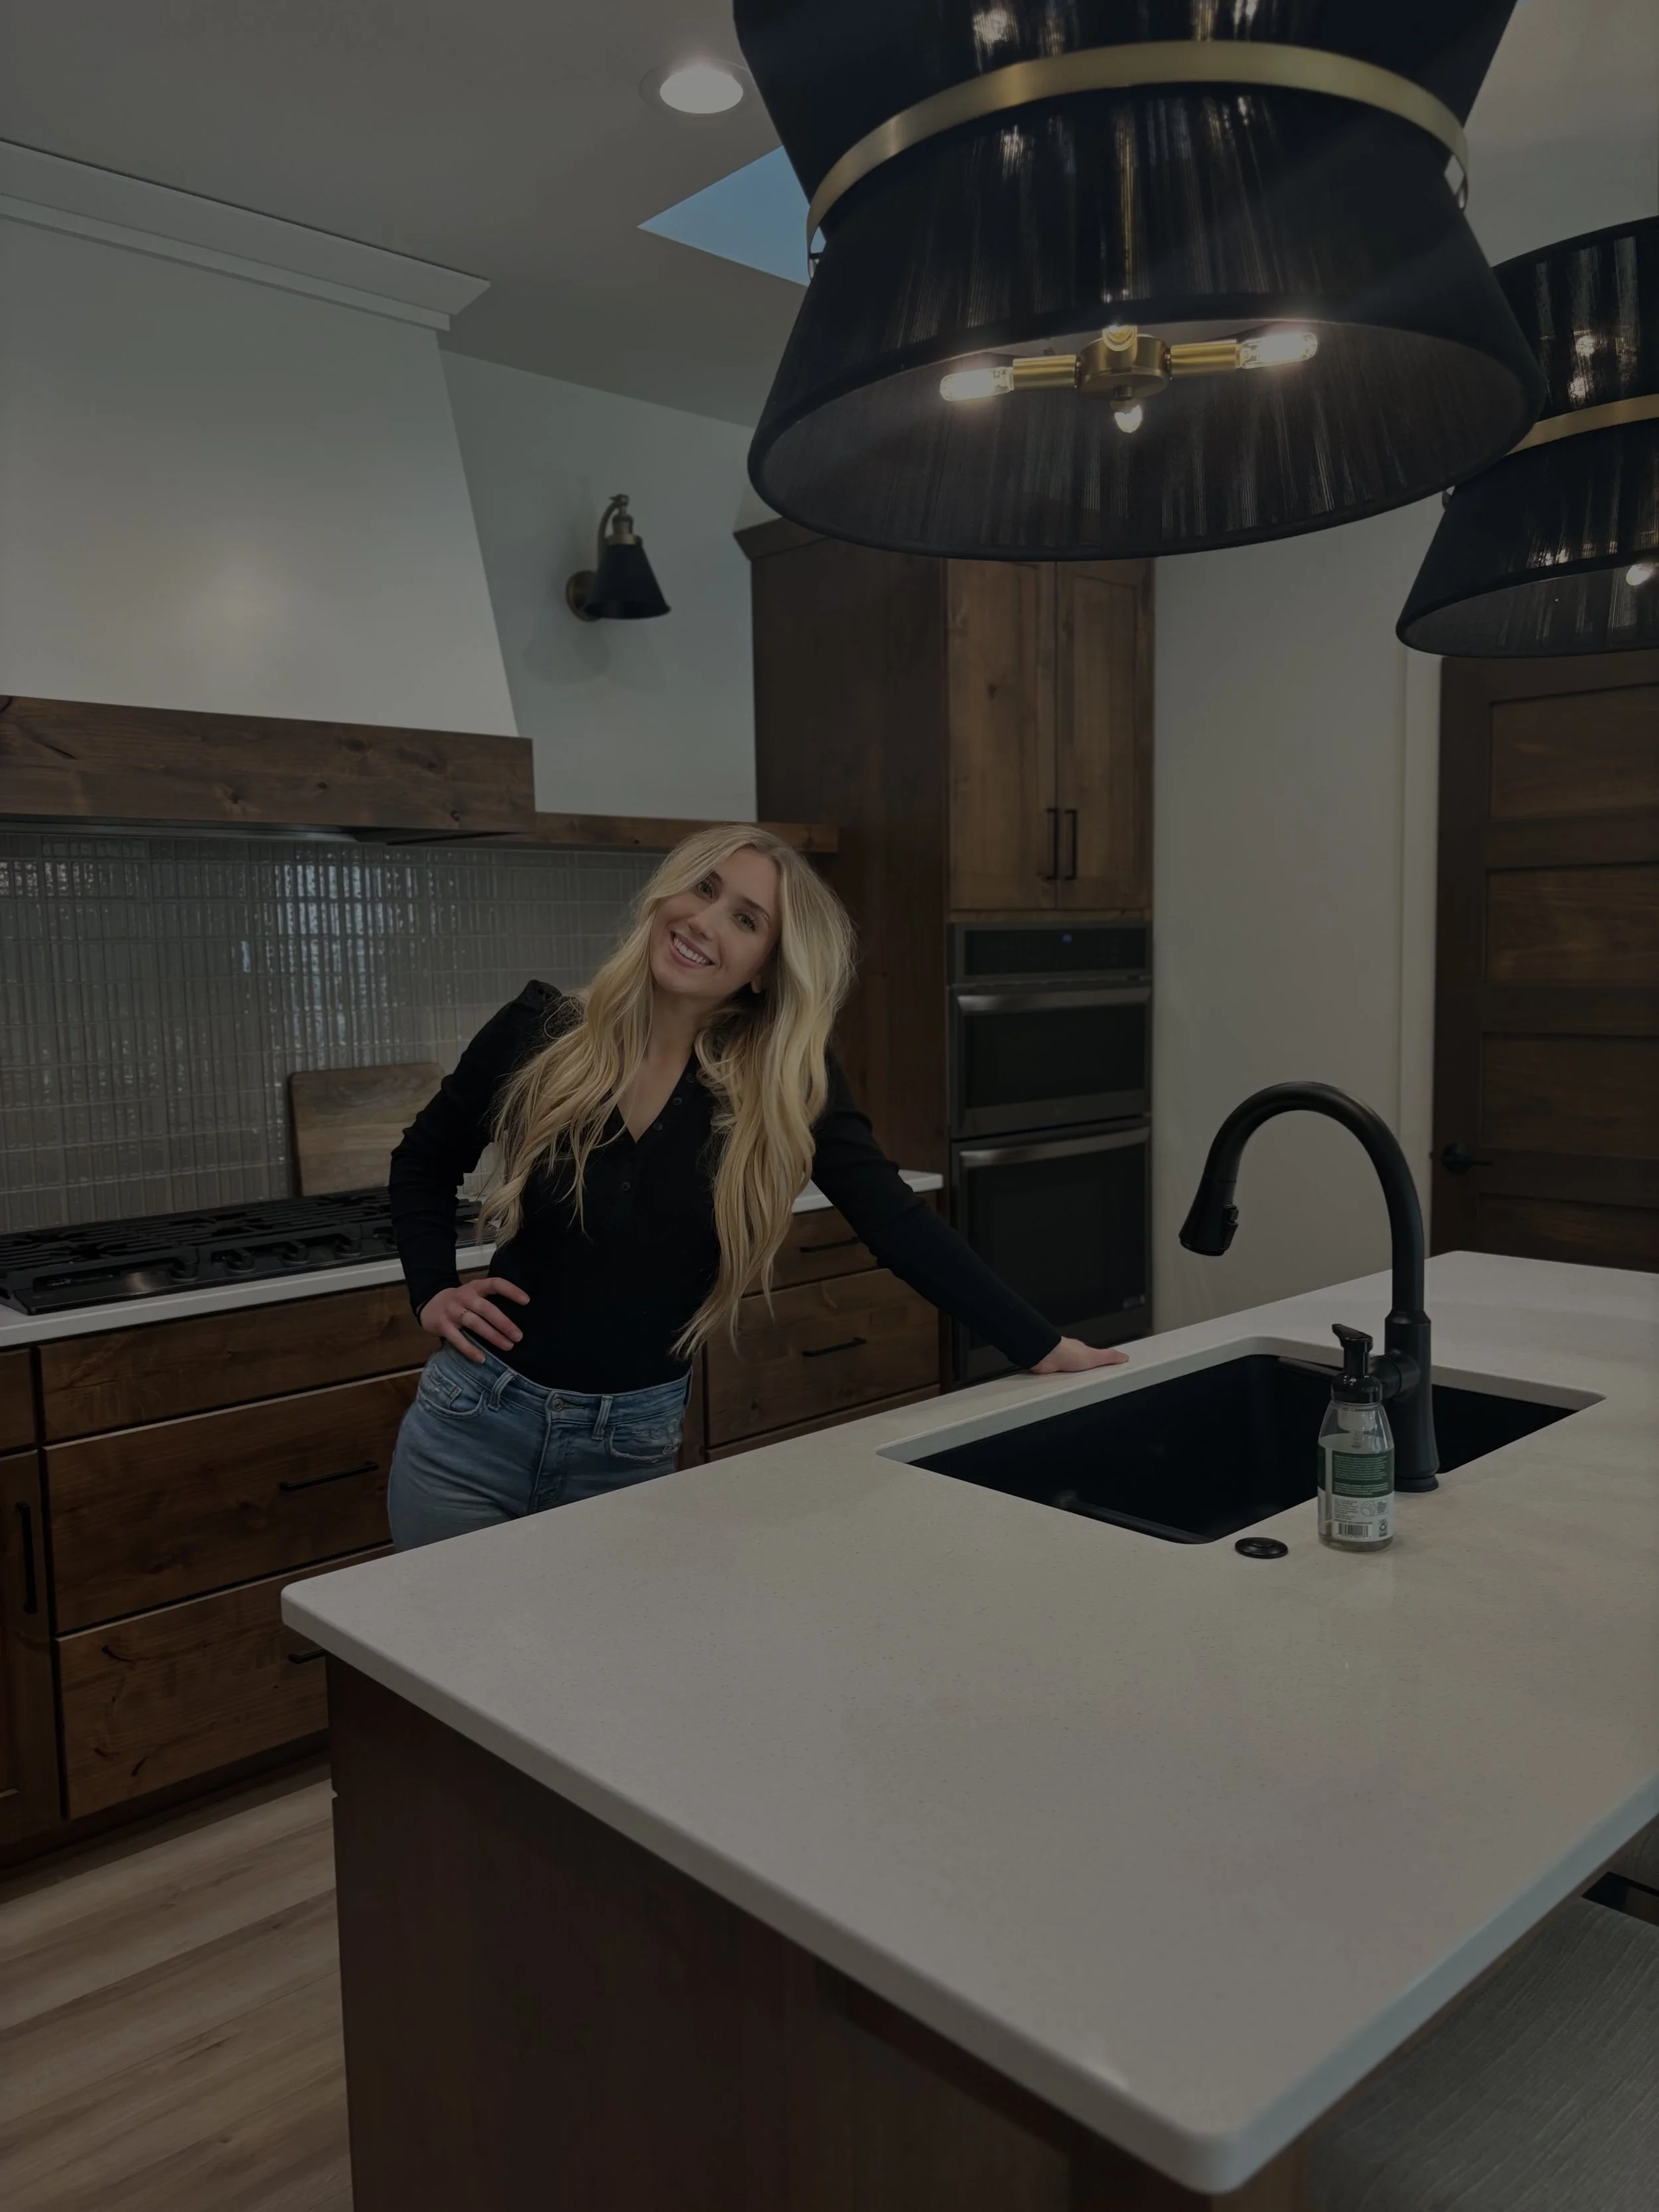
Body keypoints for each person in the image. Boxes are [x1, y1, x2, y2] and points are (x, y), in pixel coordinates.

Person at [386, 824, 1127, 1548]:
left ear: (766, 967)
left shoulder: (784, 1089)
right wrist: (432, 1288)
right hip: (471, 1427)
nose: (703, 922)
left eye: (744, 919)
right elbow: (422, 1160)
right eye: (701, 889)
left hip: (626, 1449)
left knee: (599, 1664)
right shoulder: (540, 1031)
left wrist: (1036, 1343)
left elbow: (894, 1219)